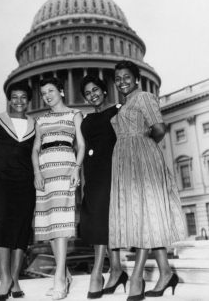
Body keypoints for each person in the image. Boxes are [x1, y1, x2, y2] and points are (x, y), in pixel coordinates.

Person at [109, 60, 186, 301]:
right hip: (126, 163)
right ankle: (165, 273)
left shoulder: (144, 97)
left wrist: (141, 146)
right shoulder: (124, 104)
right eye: (118, 78)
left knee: (143, 215)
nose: (122, 81)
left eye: (127, 77)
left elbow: (160, 129)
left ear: (136, 79)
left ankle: (137, 277)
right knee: (143, 214)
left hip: (142, 159)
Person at [0, 80, 36, 301]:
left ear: (29, 100)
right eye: (15, 97)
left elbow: (36, 154)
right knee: (0, 229)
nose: (19, 101)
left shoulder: (35, 125)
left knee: (21, 231)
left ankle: (15, 278)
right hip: (2, 181)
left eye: (23, 97)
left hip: (25, 183)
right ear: (9, 99)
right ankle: (4, 280)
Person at [32, 77, 85, 300]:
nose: (47, 96)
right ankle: (66, 275)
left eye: (51, 91)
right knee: (51, 227)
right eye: (44, 93)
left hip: (65, 167)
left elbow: (81, 144)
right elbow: (35, 149)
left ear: (61, 91)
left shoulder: (74, 114)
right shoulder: (40, 120)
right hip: (45, 170)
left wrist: (76, 169)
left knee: (61, 223)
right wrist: (36, 172)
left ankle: (59, 279)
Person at [79, 74, 128, 299]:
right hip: (93, 173)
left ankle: (97, 273)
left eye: (95, 90)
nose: (92, 95)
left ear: (104, 90)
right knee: (101, 219)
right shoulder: (86, 120)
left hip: (113, 170)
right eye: (87, 93)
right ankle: (116, 269)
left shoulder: (119, 110)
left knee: (103, 219)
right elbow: (84, 149)